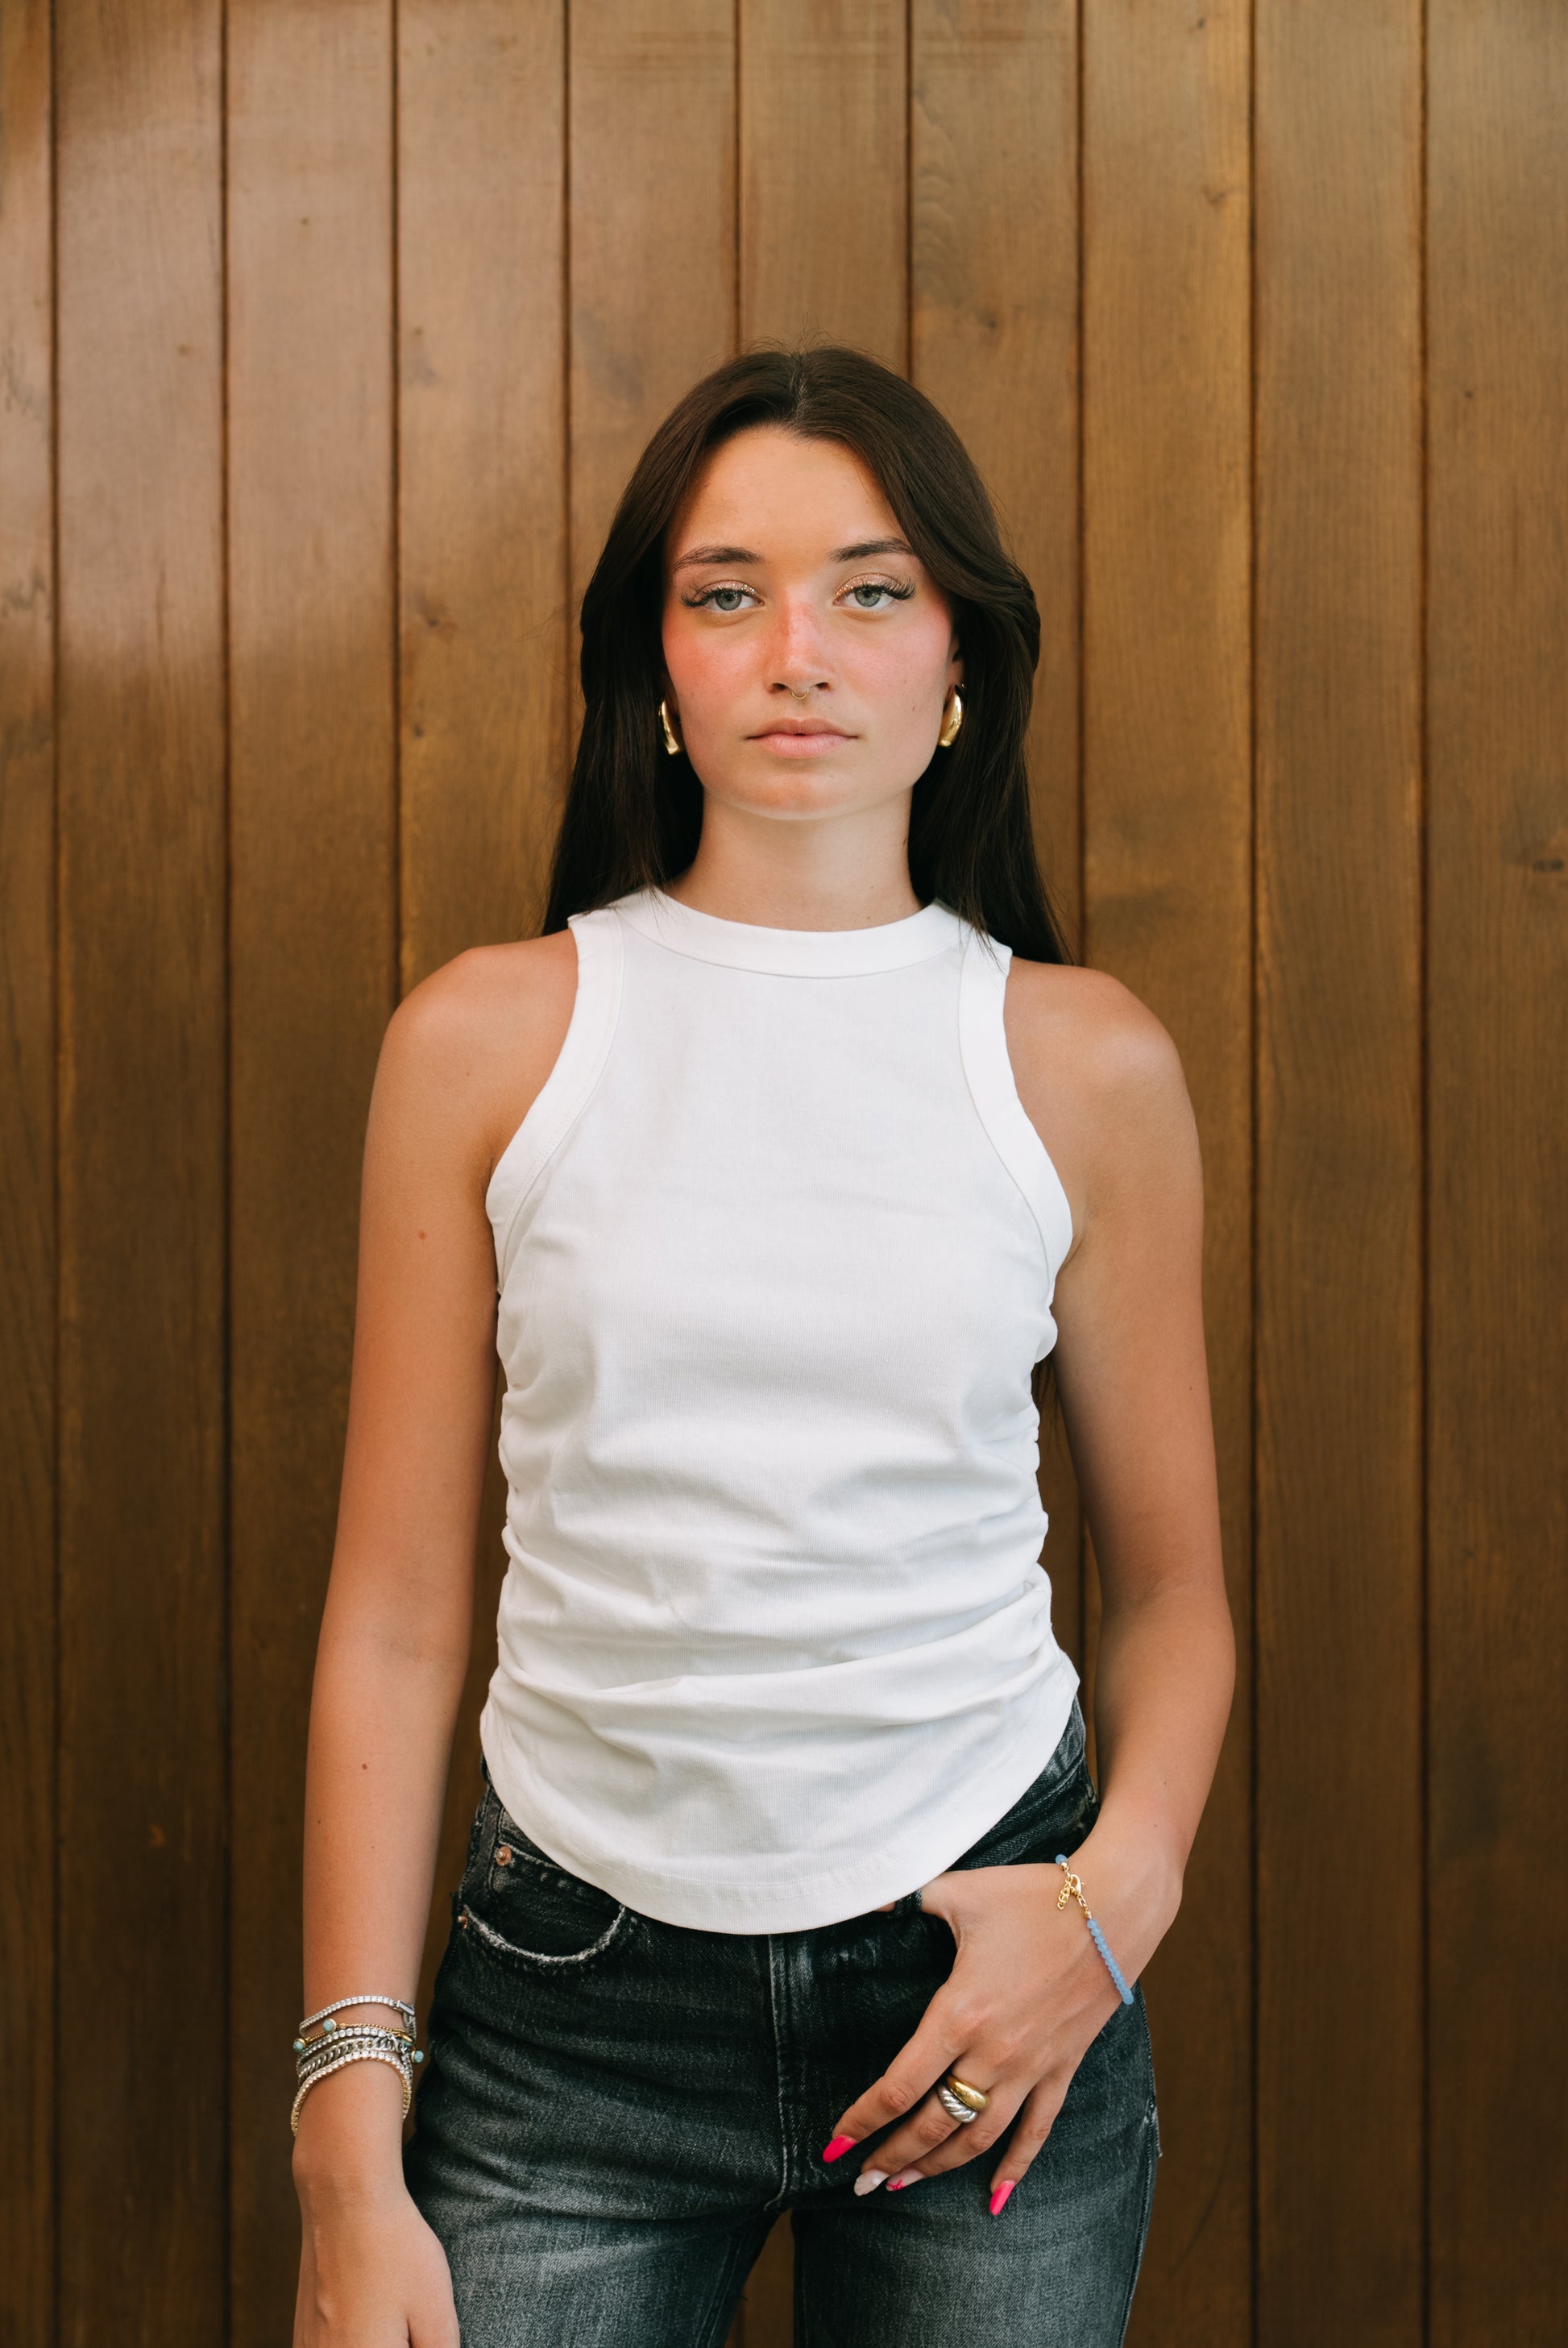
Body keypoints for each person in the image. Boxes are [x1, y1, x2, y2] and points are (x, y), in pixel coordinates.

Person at [290, 345, 1234, 2348]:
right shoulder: (485, 1041)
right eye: (728, 592)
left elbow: (1173, 1597)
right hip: (571, 2011)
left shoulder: (1081, 1061)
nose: (797, 647)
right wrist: (343, 2132)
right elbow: (388, 1613)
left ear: (960, 661)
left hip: (995, 1969)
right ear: (657, 660)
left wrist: (1110, 1910)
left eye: (870, 590)